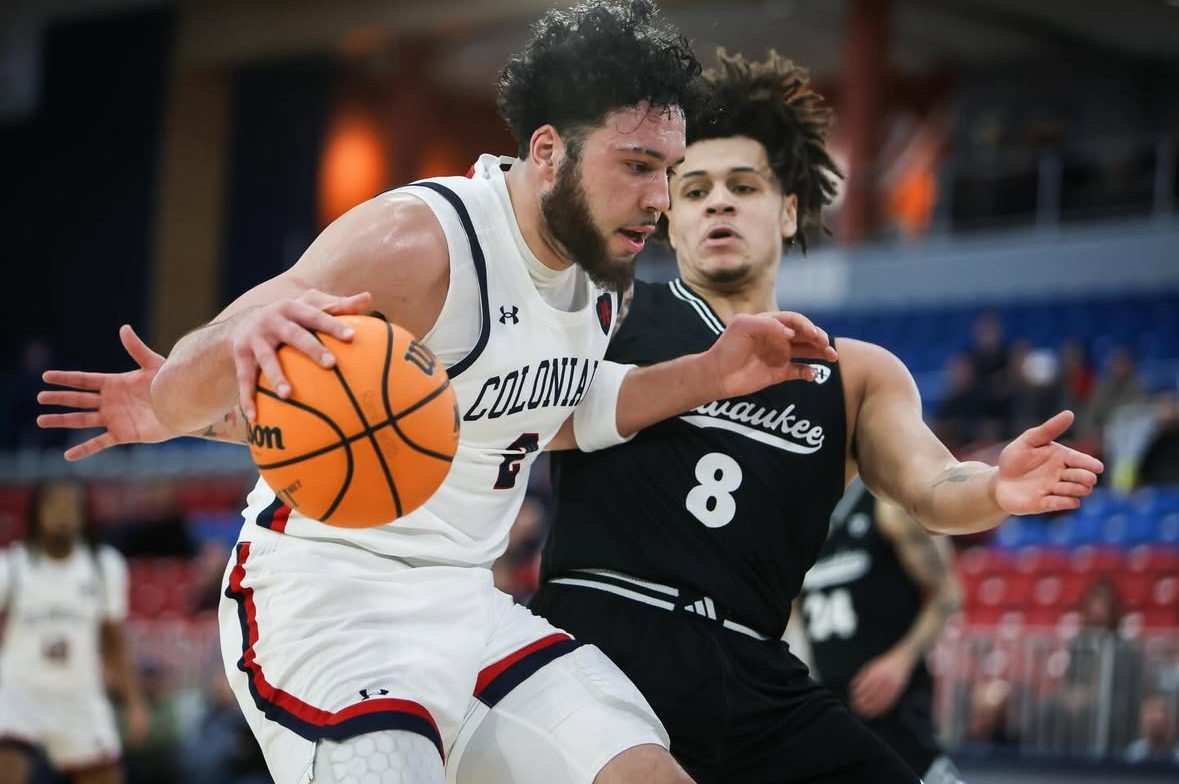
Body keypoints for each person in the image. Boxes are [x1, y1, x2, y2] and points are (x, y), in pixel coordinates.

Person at [35, 3, 837, 782]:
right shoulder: (414, 242)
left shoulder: (603, 280)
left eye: (668, 170)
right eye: (635, 166)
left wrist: (710, 374)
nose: (660, 200)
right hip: (323, 599)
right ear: (550, 149)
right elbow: (187, 386)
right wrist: (200, 370)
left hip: (463, 603)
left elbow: (550, 415)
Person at [530, 50, 1103, 783]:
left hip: (750, 663)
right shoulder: (611, 310)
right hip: (599, 634)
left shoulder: (856, 373)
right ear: (669, 218)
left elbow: (932, 485)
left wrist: (995, 489)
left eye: (743, 185)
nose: (718, 203)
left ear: (790, 209)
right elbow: (520, 409)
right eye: (695, 189)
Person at [797, 479, 964, 782]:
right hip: (831, 701)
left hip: (892, 700)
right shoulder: (804, 521)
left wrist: (901, 660)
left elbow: (947, 593)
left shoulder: (887, 506)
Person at [0, 478, 149, 784]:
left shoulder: (104, 566)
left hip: (78, 693)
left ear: (84, 515)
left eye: (71, 506)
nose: (63, 514)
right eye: (54, 505)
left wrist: (134, 701)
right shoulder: (11, 566)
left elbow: (114, 643)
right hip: (19, 691)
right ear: (36, 513)